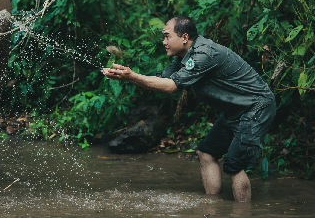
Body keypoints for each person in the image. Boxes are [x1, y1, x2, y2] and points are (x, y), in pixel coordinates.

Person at [102, 16, 276, 202]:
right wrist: (127, 76)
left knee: (234, 165)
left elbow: (171, 86)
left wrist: (132, 76)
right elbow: (163, 80)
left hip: (255, 107)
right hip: (235, 110)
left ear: (184, 37)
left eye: (167, 36)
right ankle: (213, 209)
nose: (164, 42)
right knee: (206, 153)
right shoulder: (183, 57)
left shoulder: (203, 54)